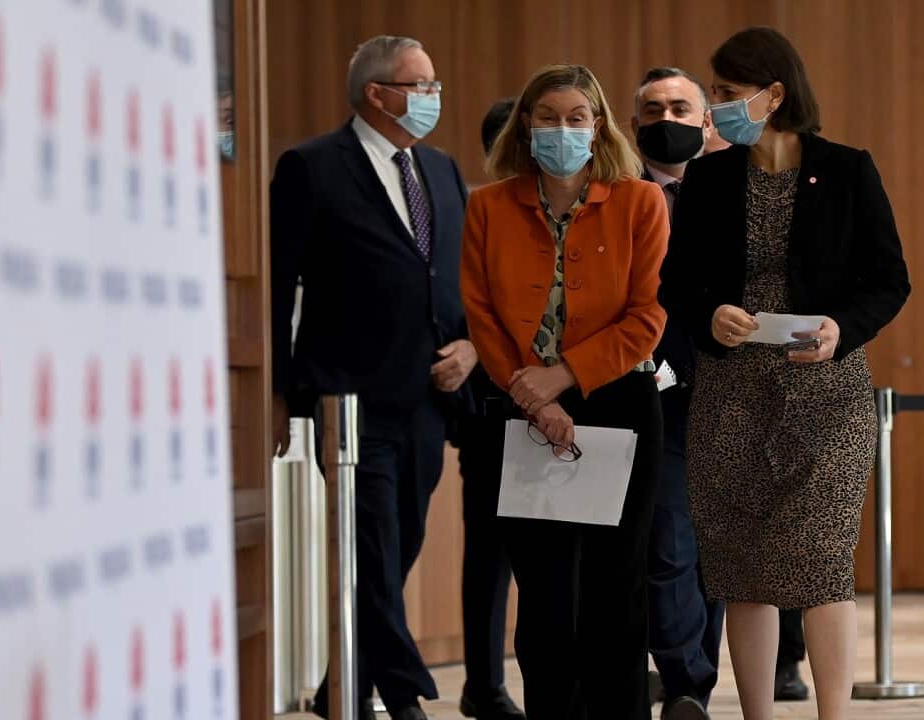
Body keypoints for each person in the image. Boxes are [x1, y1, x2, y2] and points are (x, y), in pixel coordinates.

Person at [661, 27, 911, 720]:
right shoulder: (709, 178)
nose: (716, 108)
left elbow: (889, 280)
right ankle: (758, 716)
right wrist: (709, 313)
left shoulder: (848, 169)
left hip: (826, 395)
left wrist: (842, 327)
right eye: (712, 94)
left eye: (727, 94)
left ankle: (833, 714)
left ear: (774, 94)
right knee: (743, 569)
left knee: (822, 563)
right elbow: (676, 283)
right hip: (732, 393)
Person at [270, 35, 476, 720]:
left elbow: (462, 281)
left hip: (431, 397)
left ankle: (345, 684)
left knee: (398, 544)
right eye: (418, 84)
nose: (431, 96)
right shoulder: (311, 167)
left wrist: (470, 347)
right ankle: (404, 689)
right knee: (372, 545)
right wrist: (276, 393)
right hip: (348, 396)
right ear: (376, 94)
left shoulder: (442, 170)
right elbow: (276, 287)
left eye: (434, 82)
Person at [461, 64, 669, 720]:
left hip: (619, 403)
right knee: (545, 596)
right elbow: (480, 314)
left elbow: (648, 315)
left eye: (577, 117)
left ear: (598, 125)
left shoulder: (640, 201)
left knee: (617, 589)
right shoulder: (487, 206)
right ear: (526, 124)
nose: (562, 129)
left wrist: (566, 374)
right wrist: (537, 397)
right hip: (522, 410)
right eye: (548, 116)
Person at [629, 67, 724, 720]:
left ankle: (699, 680)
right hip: (650, 400)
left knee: (716, 556)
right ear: (634, 128)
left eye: (681, 106)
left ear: (706, 121)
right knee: (668, 546)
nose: (669, 118)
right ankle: (684, 680)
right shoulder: (614, 199)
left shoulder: (736, 200)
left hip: (728, 399)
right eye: (655, 109)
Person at [452, 96, 526, 720]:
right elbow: (459, 299)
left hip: (562, 403)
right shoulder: (475, 207)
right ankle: (484, 681)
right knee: (491, 555)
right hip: (489, 409)